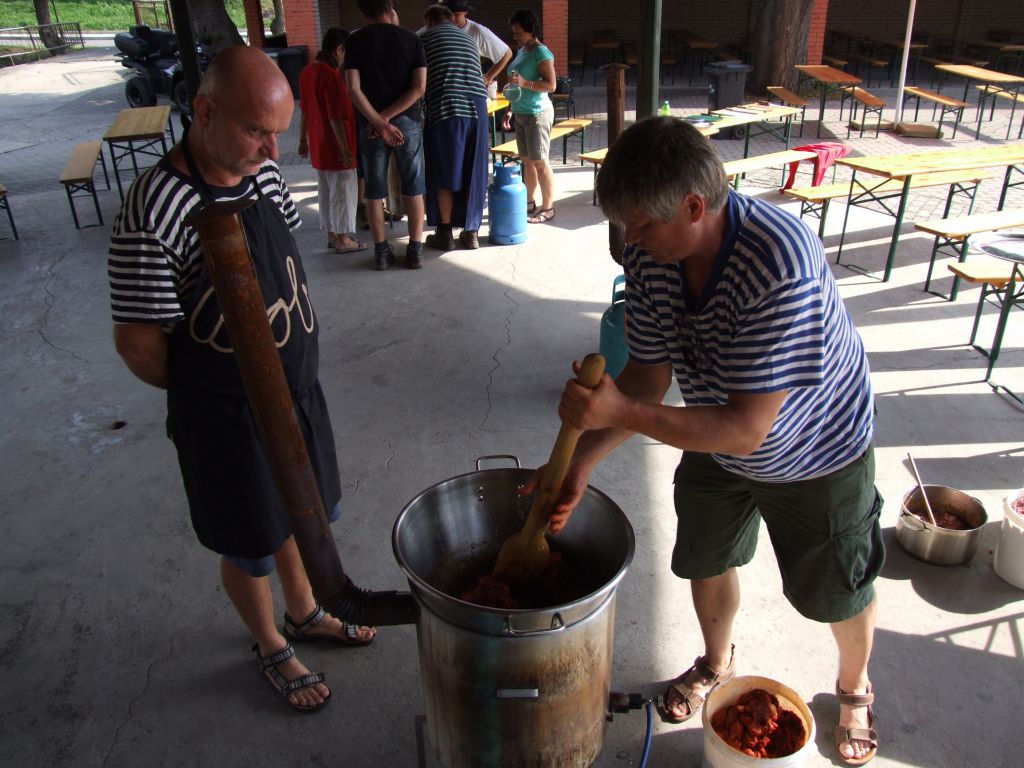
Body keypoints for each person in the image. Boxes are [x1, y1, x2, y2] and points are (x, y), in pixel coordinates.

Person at [530, 117, 883, 765]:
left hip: (816, 448)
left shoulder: (779, 263)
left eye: (641, 226)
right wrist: (582, 463)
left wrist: (619, 410)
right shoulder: (650, 253)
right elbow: (649, 377)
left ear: (694, 208)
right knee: (705, 557)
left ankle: (854, 686)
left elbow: (746, 429)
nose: (631, 241)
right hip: (715, 432)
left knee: (836, 589)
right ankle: (716, 663)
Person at [107, 46, 375, 715]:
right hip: (225, 414)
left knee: (300, 514)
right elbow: (138, 345)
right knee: (250, 535)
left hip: (297, 394)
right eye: (257, 130)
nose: (272, 150)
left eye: (279, 132)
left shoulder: (265, 176)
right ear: (204, 112)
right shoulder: (155, 206)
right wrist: (214, 390)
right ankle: (269, 642)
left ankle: (305, 611)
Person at [345, 0, 428, 270]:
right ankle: (414, 251)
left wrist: (379, 123)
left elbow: (353, 89)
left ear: (365, 13)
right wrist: (389, 118)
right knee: (414, 188)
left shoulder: (355, 41)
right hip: (408, 122)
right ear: (391, 9)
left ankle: (381, 253)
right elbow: (419, 88)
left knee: (374, 191)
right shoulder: (411, 39)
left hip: (370, 126)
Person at [420, 4, 489, 251]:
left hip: (446, 105)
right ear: (451, 20)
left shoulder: (425, 39)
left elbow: (418, 80)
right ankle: (471, 233)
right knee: (473, 170)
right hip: (478, 108)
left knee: (443, 170)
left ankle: (445, 233)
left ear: (429, 22)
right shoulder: (468, 39)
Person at [297, 27, 365, 254]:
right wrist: (345, 149)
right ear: (339, 49)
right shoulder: (332, 76)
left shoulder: (306, 72)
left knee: (326, 191)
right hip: (336, 147)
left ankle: (332, 234)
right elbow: (336, 117)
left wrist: (303, 140)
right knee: (343, 191)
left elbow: (304, 110)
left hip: (318, 145)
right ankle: (344, 239)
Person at [501, 9, 557, 224]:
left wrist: (526, 83)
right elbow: (515, 84)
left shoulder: (541, 53)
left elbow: (551, 85)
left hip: (537, 114)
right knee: (527, 161)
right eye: (514, 32)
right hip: (521, 113)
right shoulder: (523, 51)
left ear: (531, 31)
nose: (515, 36)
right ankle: (529, 202)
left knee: (540, 162)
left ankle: (548, 208)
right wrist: (509, 110)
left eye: (519, 32)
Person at [440, 0, 512, 97]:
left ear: (465, 12)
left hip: (469, 92)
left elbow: (506, 53)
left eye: (457, 15)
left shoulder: (477, 31)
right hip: (443, 92)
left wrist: (488, 77)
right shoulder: (434, 29)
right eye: (449, 15)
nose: (452, 18)